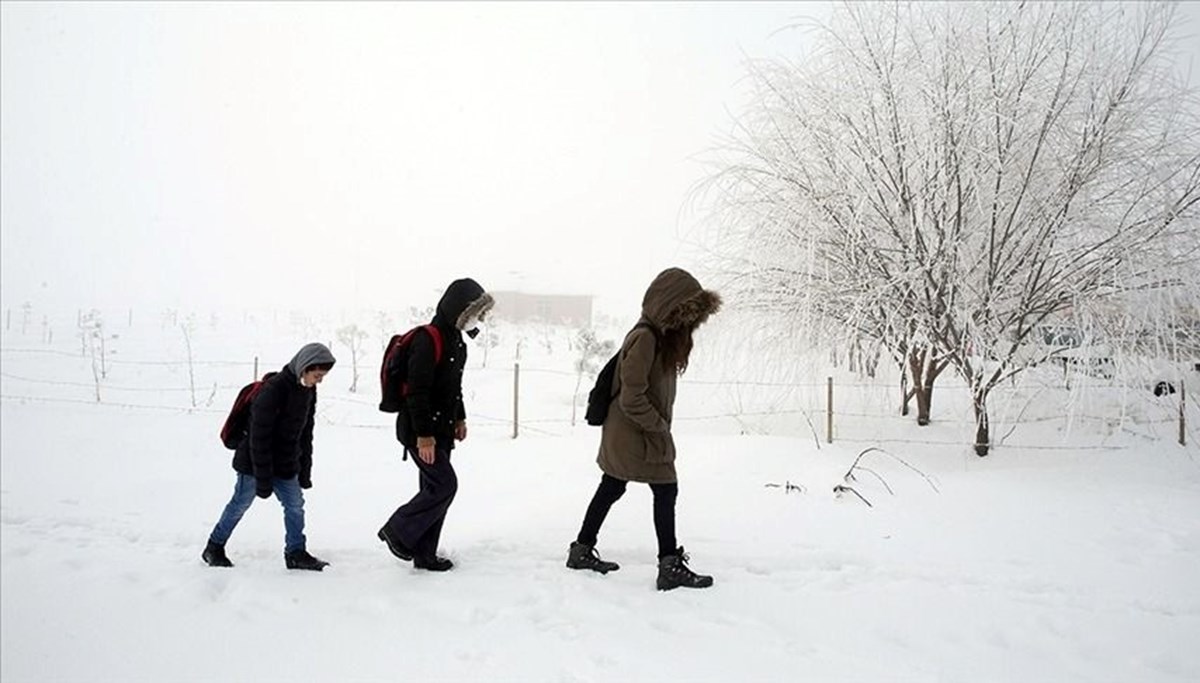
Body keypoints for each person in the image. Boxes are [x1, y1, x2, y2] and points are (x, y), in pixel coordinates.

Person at [566, 267, 722, 590]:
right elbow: (631, 396)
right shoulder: (646, 338)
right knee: (665, 489)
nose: (688, 324)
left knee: (613, 486)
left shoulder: (659, 337)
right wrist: (659, 426)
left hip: (634, 433)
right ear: (670, 308)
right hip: (634, 433)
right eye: (685, 314)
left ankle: (581, 549)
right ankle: (669, 566)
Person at [378, 278, 494, 572]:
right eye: (473, 313)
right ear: (457, 309)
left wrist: (460, 417)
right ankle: (397, 530)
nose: (476, 320)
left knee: (434, 489)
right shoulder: (428, 339)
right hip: (419, 431)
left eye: (479, 315)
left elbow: (453, 387)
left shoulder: (458, 341)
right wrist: (424, 437)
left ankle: (425, 554)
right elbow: (417, 392)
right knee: (445, 485)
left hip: (442, 428)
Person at [202, 342, 336, 571]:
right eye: (317, 375)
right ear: (304, 367)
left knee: (295, 506)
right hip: (254, 462)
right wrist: (263, 478)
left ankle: (295, 553)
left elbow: (306, 433)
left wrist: (304, 470)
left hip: (286, 462)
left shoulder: (308, 391)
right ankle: (214, 547)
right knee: (239, 504)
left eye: (322, 376)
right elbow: (259, 438)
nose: (319, 380)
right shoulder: (272, 391)